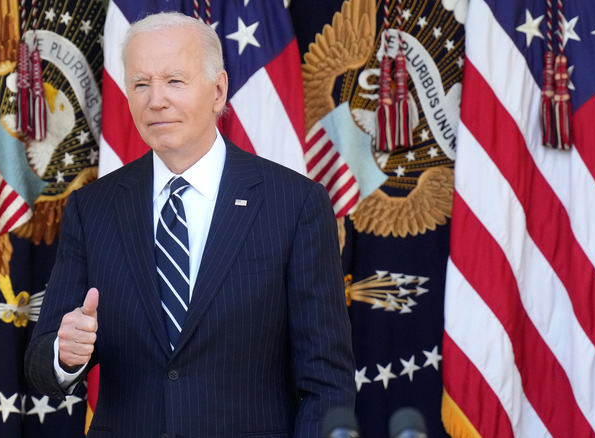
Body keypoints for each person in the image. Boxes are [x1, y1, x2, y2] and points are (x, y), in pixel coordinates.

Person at [25, 11, 355, 437]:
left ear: (218, 91)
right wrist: (64, 354)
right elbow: (41, 364)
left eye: (174, 81)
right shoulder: (93, 208)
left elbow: (327, 383)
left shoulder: (294, 204)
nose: (156, 100)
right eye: (141, 84)